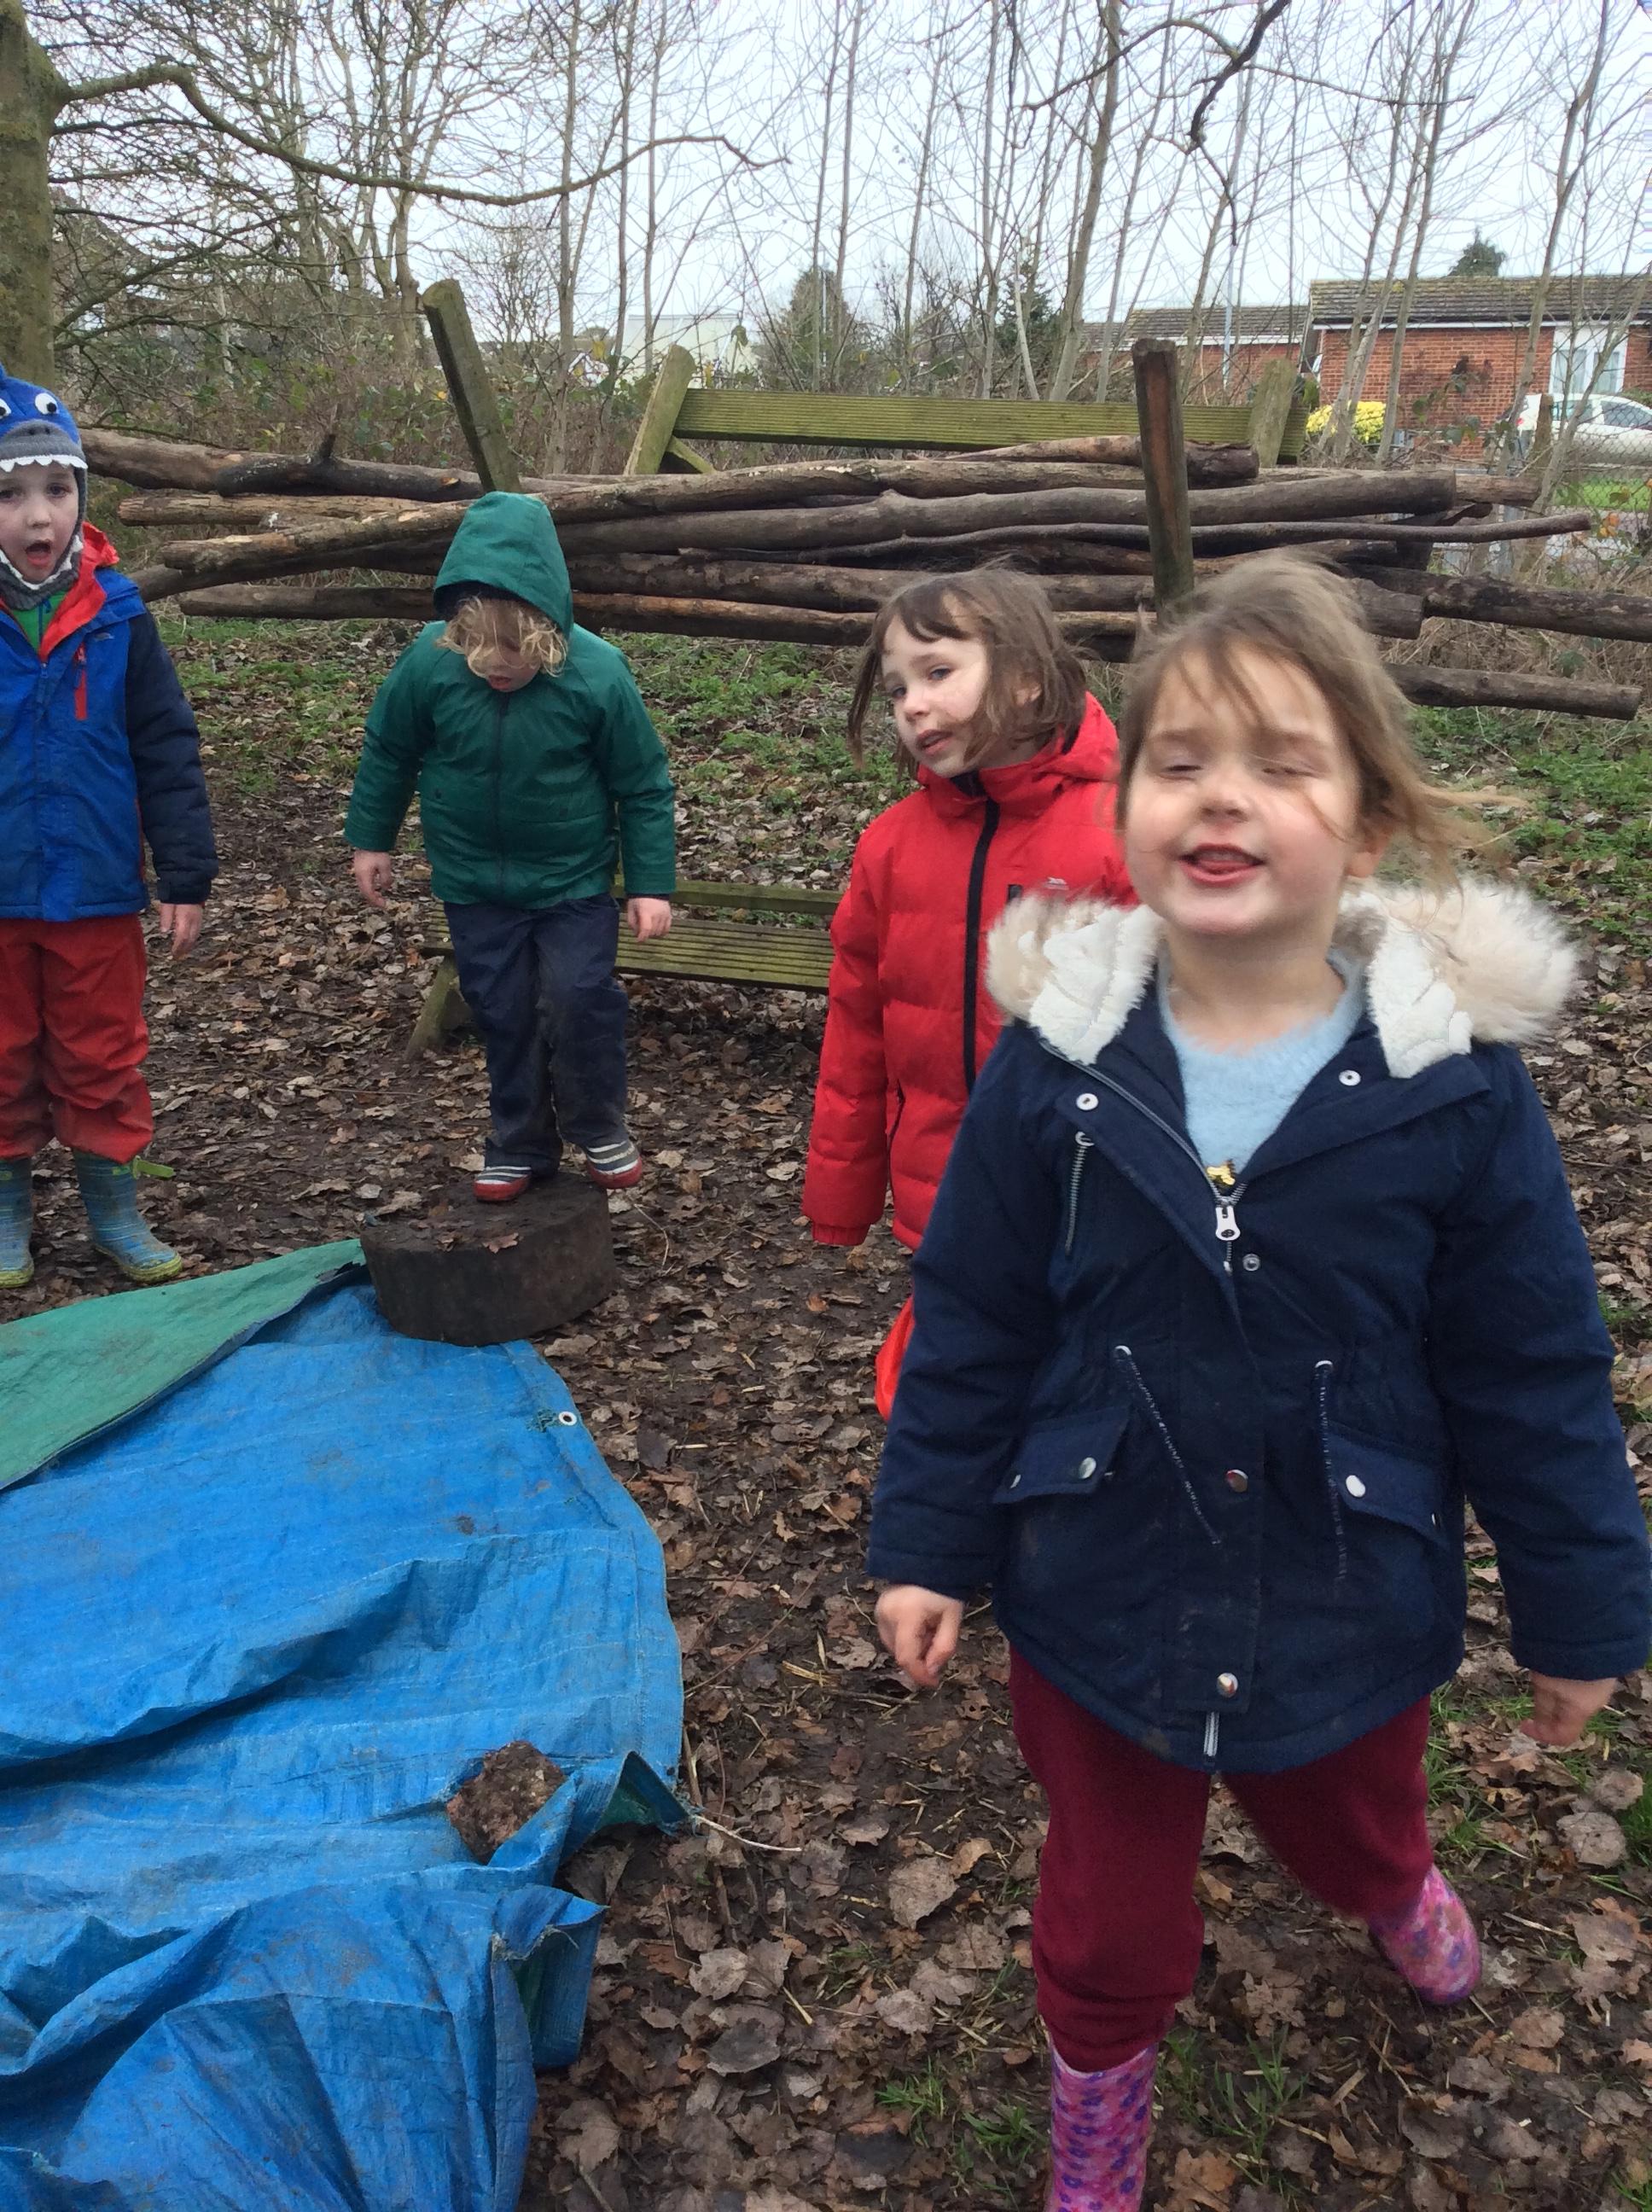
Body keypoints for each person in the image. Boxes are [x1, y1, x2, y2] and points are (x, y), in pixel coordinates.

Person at [867, 554, 1651, 2212]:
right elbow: (975, 1315)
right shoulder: (1059, 1059)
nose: (1220, 797)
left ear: (1364, 826)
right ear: (1126, 805)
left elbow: (1528, 1364)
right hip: (1100, 1577)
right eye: (1179, 762)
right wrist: (928, 1539)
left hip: (1339, 1581)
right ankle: (1098, 2099)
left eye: (1280, 764)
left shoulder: (1450, 1084)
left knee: (1345, 1814)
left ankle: (1394, 1888)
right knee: (1105, 1911)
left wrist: (1577, 1604)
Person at [801, 569, 1132, 1412]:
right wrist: (843, 1190)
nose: (913, 705)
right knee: (958, 1401)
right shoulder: (891, 847)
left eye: (938, 672)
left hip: (1094, 1206)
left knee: (1082, 1400)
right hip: (942, 1194)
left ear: (1025, 676)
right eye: (897, 688)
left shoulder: (1124, 833)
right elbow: (858, 1030)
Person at [345, 492, 675, 1199]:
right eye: (478, 645)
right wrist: (372, 839)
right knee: (503, 1010)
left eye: (516, 649)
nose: (496, 664)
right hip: (474, 883)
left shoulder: (597, 673)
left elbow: (643, 783)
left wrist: (649, 883)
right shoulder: (429, 664)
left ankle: (598, 1123)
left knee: (578, 998)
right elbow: (390, 750)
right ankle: (519, 1141)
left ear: (549, 629)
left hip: (571, 881)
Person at [0, 366, 218, 1289]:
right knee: (1, 1053)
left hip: (94, 886)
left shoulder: (119, 617)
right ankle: (6, 1210)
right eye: (9, 495)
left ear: (81, 499)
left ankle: (113, 1206)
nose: (36, 515)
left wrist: (186, 873)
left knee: (102, 1050)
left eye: (56, 489)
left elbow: (165, 746)